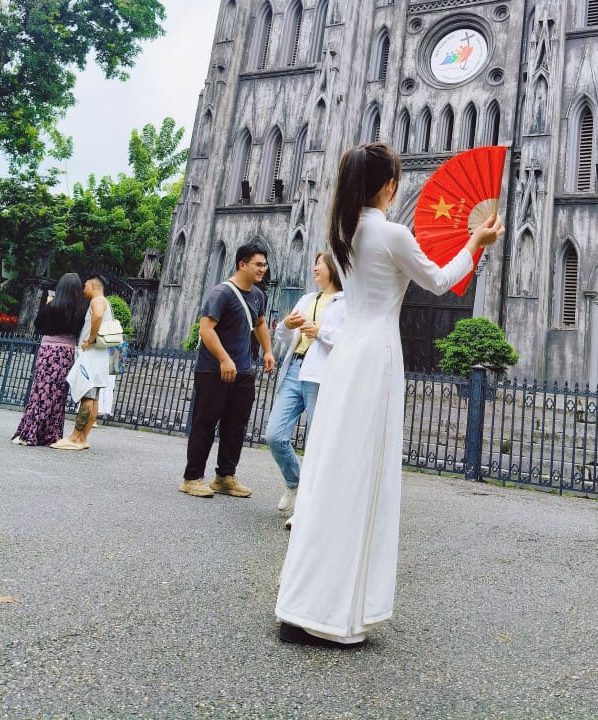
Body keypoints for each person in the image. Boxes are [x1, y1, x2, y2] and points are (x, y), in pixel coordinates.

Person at [275, 143, 505, 646]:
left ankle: (301, 604)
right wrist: (476, 240)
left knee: (330, 472)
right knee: (362, 476)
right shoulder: (391, 233)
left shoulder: (343, 232)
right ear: (389, 186)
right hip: (376, 357)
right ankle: (332, 615)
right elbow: (440, 281)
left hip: (344, 356)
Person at [178, 240, 275, 498]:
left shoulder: (258, 295)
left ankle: (224, 477)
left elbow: (260, 323)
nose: (262, 269)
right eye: (258, 264)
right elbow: (206, 329)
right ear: (242, 264)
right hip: (213, 370)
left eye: (265, 265)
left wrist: (267, 351)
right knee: (205, 423)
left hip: (242, 371)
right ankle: (192, 477)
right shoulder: (221, 293)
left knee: (235, 426)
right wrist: (223, 359)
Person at [266, 252, 346, 525]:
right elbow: (283, 336)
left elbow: (350, 339)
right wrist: (286, 326)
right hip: (294, 370)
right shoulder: (307, 299)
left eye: (319, 264)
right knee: (274, 434)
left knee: (316, 442)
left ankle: (307, 509)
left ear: (333, 268)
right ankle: (294, 481)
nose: (314, 268)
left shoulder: (347, 303)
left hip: (320, 376)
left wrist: (320, 331)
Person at [12, 274, 85, 446]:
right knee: (58, 393)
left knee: (40, 389)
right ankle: (51, 434)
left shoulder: (52, 305)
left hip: (48, 350)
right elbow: (79, 331)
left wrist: (47, 305)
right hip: (66, 352)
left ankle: (31, 431)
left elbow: (38, 324)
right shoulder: (80, 310)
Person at [50, 274, 115, 452]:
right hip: (100, 356)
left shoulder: (97, 301)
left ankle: (74, 438)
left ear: (93, 286)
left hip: (92, 356)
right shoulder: (104, 301)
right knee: (93, 399)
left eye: (85, 286)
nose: (83, 289)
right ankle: (82, 438)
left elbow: (98, 316)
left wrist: (90, 340)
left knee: (87, 397)